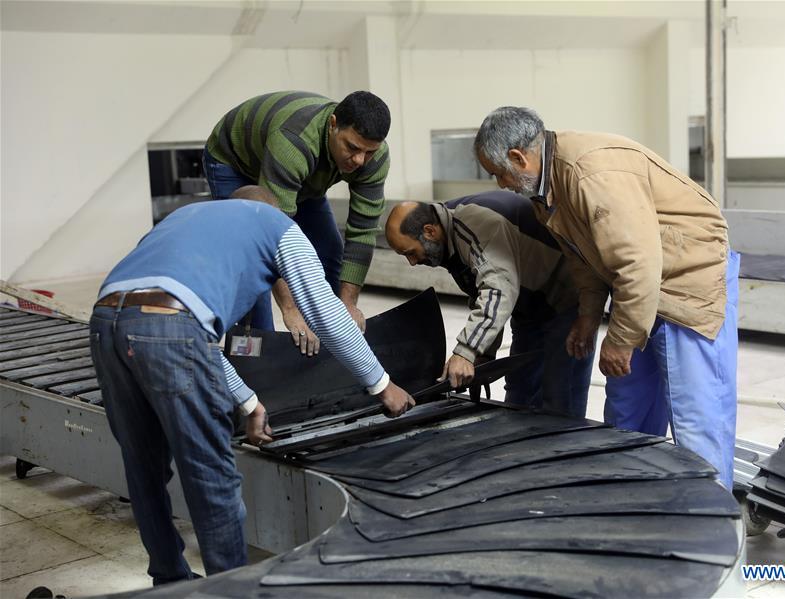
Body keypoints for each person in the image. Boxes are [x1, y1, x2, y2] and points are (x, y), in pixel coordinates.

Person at [89, 185, 415, 585]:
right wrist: (382, 384)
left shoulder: (183, 219)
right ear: (278, 211)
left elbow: (189, 331)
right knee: (211, 476)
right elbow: (325, 313)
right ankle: (231, 589)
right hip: (171, 326)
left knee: (143, 468)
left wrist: (249, 403)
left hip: (106, 321)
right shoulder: (276, 224)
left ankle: (169, 580)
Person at [474, 107, 740, 489]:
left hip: (688, 279)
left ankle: (713, 523)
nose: (500, 183)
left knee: (696, 415)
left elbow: (637, 263)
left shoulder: (590, 173)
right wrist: (588, 314)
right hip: (642, 288)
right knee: (627, 411)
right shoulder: (547, 185)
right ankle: (632, 503)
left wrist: (620, 340)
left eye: (498, 172)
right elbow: (585, 255)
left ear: (519, 157)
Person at [204, 90, 392, 343]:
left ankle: (330, 336)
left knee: (329, 249)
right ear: (333, 125)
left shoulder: (374, 157)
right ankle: (259, 352)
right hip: (235, 161)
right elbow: (270, 236)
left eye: (368, 152)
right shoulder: (294, 142)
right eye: (352, 147)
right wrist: (290, 310)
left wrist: (348, 303)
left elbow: (363, 231)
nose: (360, 160)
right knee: (252, 263)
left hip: (301, 175)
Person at [385, 191, 595, 417]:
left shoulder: (474, 225)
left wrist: (466, 352)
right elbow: (482, 292)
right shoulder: (446, 232)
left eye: (410, 253)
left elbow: (498, 290)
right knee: (520, 394)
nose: (413, 262)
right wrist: (483, 356)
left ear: (429, 231)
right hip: (530, 306)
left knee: (560, 399)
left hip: (569, 298)